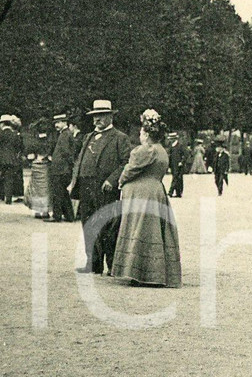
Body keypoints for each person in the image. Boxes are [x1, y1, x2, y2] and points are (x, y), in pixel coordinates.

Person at [111, 110, 183, 287]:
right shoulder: (162, 150)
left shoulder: (145, 150)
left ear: (147, 134)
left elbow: (130, 169)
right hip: (156, 191)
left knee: (140, 229)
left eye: (142, 132)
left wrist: (121, 182)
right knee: (154, 231)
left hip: (141, 194)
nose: (140, 135)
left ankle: (137, 272)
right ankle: (156, 272)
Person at [70, 99, 132, 274]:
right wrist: (74, 181)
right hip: (86, 186)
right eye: (95, 116)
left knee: (108, 226)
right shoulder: (87, 137)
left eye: (102, 115)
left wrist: (112, 180)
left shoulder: (120, 138)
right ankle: (93, 263)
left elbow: (126, 163)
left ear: (111, 117)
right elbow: (79, 160)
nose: (97, 119)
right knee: (88, 224)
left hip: (105, 188)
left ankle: (112, 265)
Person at [0, 115, 24, 205]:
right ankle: (8, 199)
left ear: (3, 124)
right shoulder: (14, 134)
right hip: (12, 159)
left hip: (0, 159)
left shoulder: (0, 133)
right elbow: (19, 146)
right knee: (9, 179)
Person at [48, 113, 77, 222]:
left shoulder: (64, 134)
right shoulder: (65, 133)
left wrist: (68, 164)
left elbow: (66, 152)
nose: (56, 124)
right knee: (63, 193)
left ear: (65, 122)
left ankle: (57, 216)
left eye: (59, 122)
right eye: (55, 122)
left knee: (57, 192)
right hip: (63, 168)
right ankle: (69, 216)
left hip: (61, 169)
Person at [25, 120, 52, 218]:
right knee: (45, 188)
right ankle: (45, 210)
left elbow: (29, 155)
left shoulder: (33, 141)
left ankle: (37, 210)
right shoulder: (50, 141)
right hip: (45, 166)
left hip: (36, 165)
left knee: (36, 189)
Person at [167, 132, 189, 197]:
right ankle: (178, 193)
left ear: (174, 139)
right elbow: (170, 156)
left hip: (179, 165)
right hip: (173, 165)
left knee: (176, 178)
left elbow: (186, 154)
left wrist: (182, 162)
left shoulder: (180, 146)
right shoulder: (171, 146)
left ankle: (170, 192)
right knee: (177, 179)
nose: (170, 140)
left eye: (171, 139)